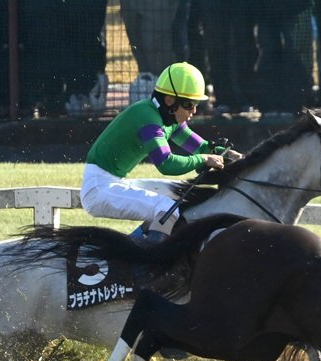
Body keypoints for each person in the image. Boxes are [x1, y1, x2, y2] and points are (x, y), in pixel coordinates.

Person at [80, 62, 242, 240]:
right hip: (98, 189)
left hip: (112, 182)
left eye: (196, 104)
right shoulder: (148, 119)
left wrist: (228, 155)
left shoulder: (167, 119)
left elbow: (201, 147)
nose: (194, 110)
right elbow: (166, 163)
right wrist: (202, 159)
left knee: (179, 193)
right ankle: (148, 262)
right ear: (170, 101)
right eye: (189, 104)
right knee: (166, 209)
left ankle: (132, 245)